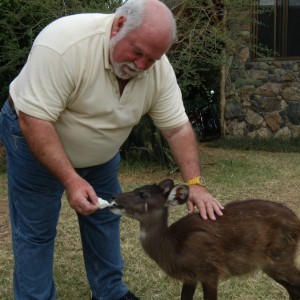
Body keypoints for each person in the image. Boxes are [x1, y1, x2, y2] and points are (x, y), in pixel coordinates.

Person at [0, 0, 224, 299]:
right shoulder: (64, 45)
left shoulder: (157, 70)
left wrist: (195, 183)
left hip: (101, 154)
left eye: (153, 59)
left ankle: (109, 291)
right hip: (33, 135)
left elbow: (177, 128)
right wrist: (71, 179)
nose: (142, 66)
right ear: (118, 26)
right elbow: (35, 119)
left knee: (105, 217)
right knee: (36, 230)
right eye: (138, 52)